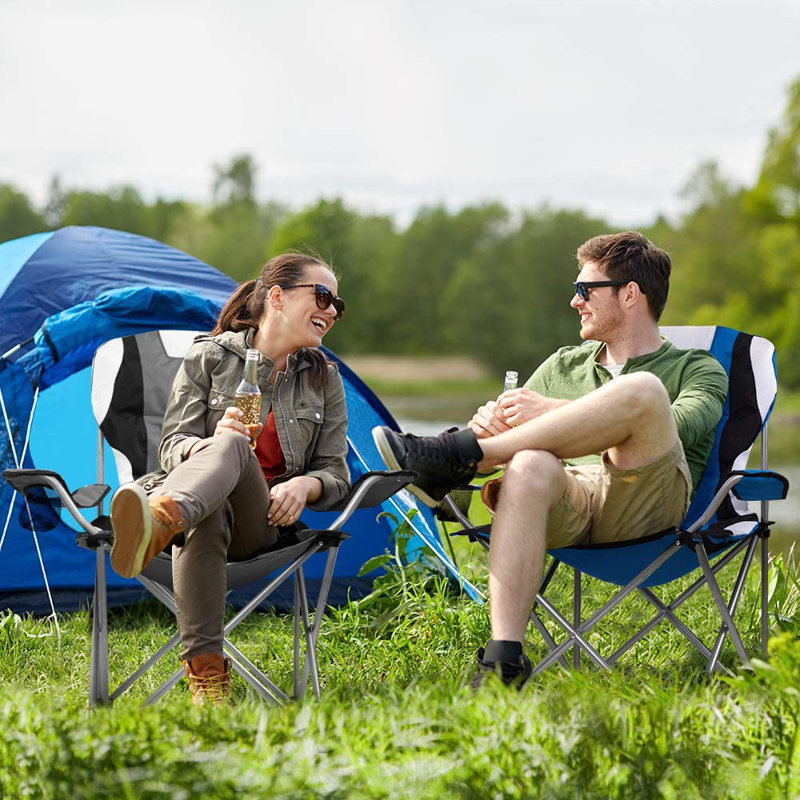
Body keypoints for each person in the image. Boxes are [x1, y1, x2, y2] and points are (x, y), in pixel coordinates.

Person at [372, 231, 728, 688]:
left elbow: (676, 427)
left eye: (586, 290)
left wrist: (550, 413)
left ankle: (453, 453)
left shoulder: (696, 369)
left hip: (645, 504)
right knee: (528, 464)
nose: (574, 301)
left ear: (630, 294)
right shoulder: (562, 366)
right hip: (567, 502)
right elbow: (518, 443)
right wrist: (490, 429)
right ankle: (503, 660)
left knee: (643, 392)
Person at [108, 253, 350, 704]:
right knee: (221, 475)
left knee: (236, 448)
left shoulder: (324, 380)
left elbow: (336, 474)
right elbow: (173, 445)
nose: (332, 310)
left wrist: (305, 485)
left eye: (338, 303)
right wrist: (208, 445)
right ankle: (209, 683)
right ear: (276, 297)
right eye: (322, 296)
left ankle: (160, 520)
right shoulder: (210, 357)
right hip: (205, 512)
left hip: (261, 525)